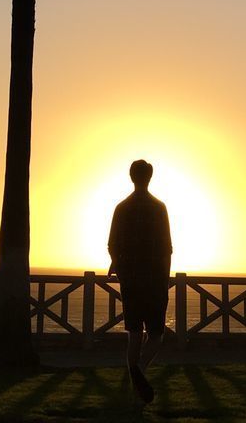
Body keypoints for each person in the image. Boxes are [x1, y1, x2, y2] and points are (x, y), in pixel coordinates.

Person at [108, 159, 172, 405]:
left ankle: (136, 374)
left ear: (131, 176)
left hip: (131, 280)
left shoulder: (122, 208)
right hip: (155, 279)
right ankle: (140, 371)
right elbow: (167, 248)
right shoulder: (159, 208)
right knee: (156, 334)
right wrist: (164, 279)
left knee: (134, 333)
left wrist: (120, 268)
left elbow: (112, 245)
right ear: (150, 177)